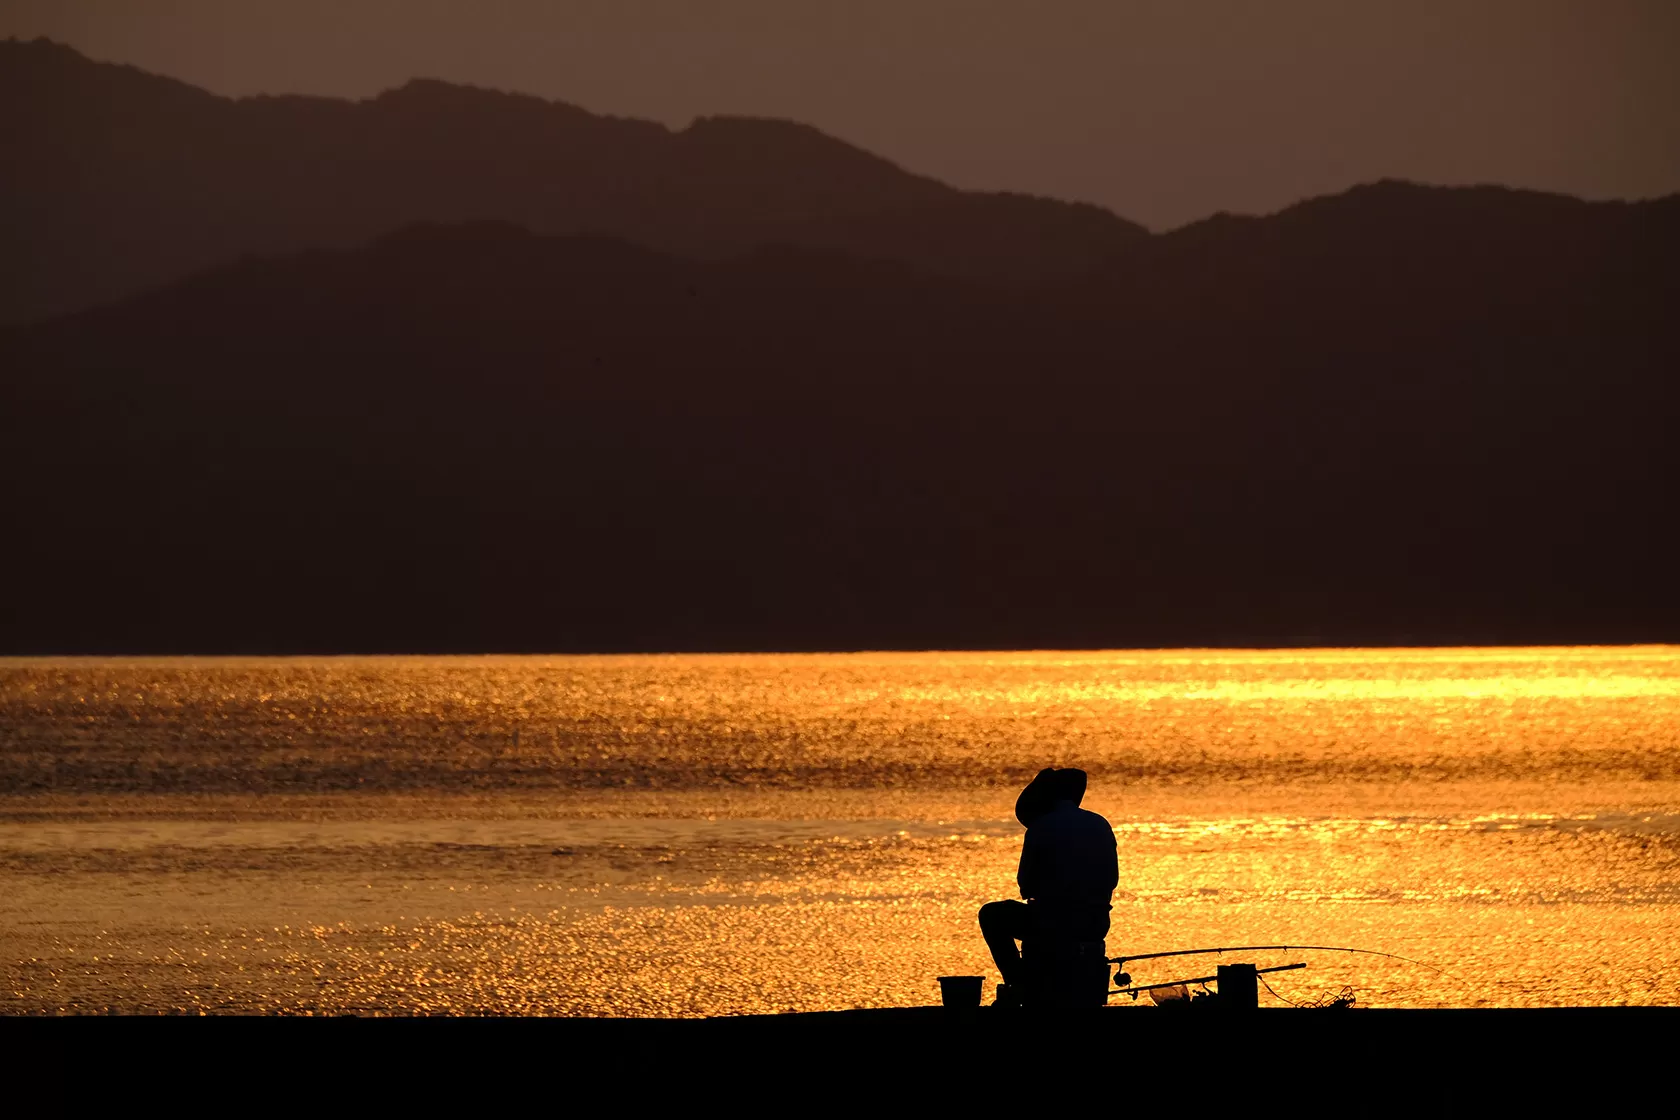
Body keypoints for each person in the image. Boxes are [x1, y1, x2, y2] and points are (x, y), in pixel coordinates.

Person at [978, 767, 1118, 1004]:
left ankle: (1018, 983)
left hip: (1053, 923)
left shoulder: (1040, 827)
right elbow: (1112, 879)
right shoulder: (1100, 824)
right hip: (1095, 923)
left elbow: (1026, 883)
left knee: (991, 914)